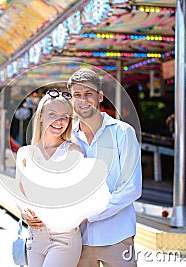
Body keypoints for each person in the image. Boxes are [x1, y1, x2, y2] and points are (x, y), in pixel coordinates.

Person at [67, 68, 142, 267]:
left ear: (100, 96)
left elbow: (131, 187)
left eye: (88, 94)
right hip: (77, 241)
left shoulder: (123, 132)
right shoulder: (67, 138)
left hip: (117, 236)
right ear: (71, 100)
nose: (83, 100)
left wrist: (89, 215)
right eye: (77, 95)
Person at [17, 89, 84, 267]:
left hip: (63, 238)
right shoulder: (24, 153)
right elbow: (19, 194)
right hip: (34, 238)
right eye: (52, 114)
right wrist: (25, 212)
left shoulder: (73, 152)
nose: (59, 121)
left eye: (65, 116)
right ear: (40, 116)